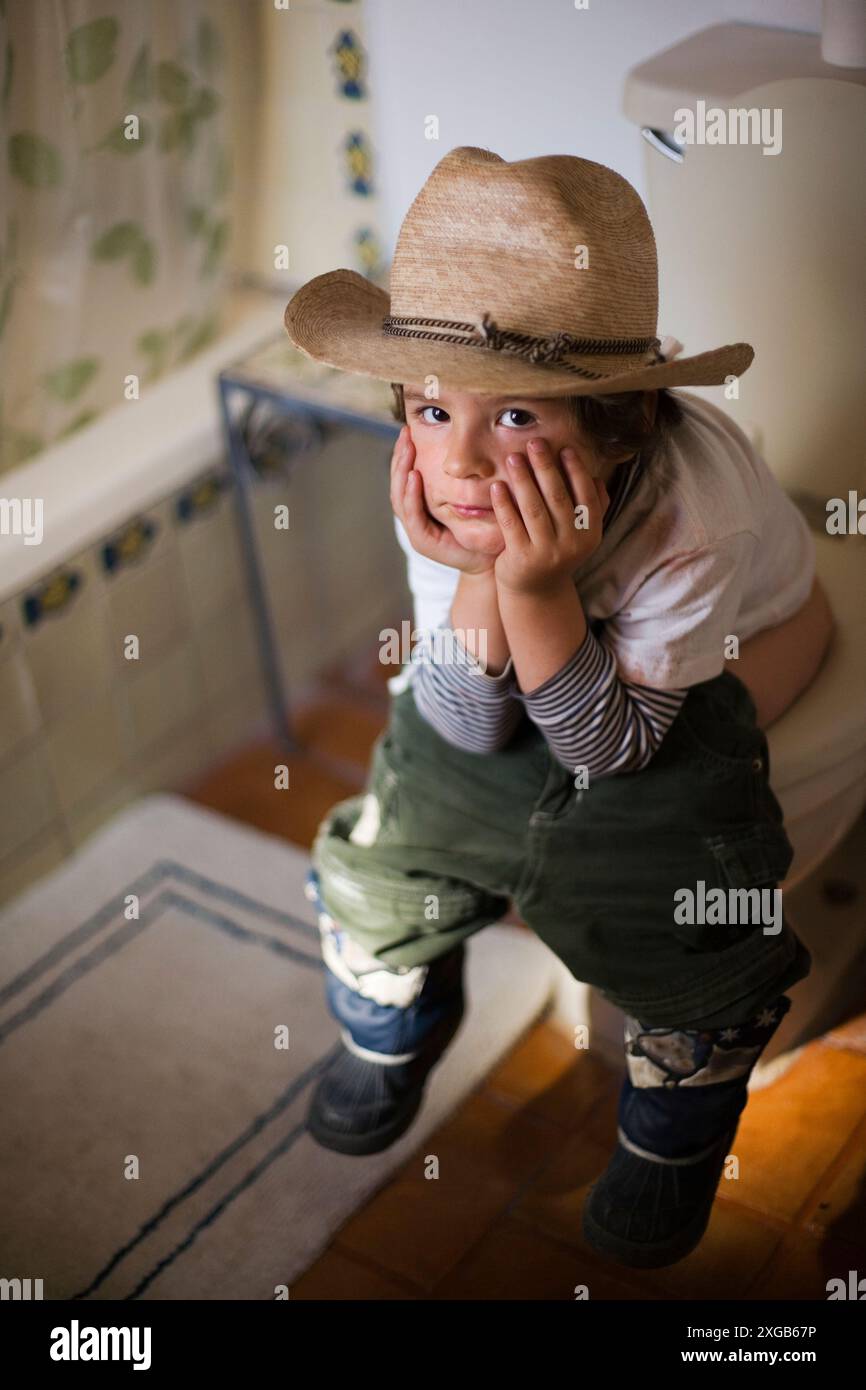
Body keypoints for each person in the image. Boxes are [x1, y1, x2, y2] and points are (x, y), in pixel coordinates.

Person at [284, 147, 834, 1270]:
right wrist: (483, 574)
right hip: (555, 658)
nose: (464, 460)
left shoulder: (695, 518)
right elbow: (465, 723)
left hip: (740, 649)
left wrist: (526, 585)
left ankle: (680, 1106)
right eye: (431, 408)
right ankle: (397, 1012)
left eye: (519, 416)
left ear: (621, 425)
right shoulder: (442, 485)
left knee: (678, 885)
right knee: (406, 810)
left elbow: (613, 748)